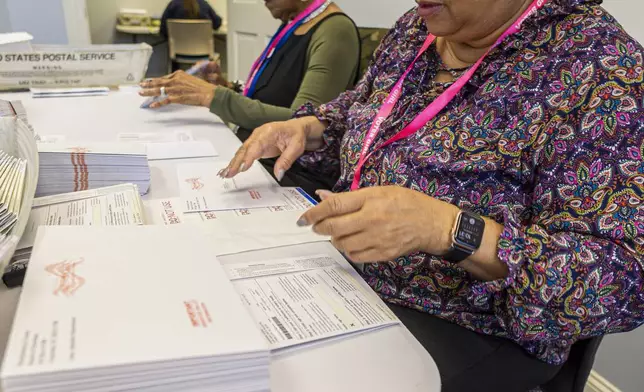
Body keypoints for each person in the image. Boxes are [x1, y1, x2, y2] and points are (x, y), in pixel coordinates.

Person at [220, 0, 644, 390]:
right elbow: (362, 114)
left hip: (466, 321)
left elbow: (622, 278)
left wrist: (448, 229)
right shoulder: (417, 28)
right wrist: (311, 130)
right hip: (353, 278)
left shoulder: (599, 65)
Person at [140, 0, 361, 197]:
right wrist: (227, 87)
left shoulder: (335, 31)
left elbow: (300, 122)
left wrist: (213, 96)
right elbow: (276, 94)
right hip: (257, 155)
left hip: (289, 172)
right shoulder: (293, 23)